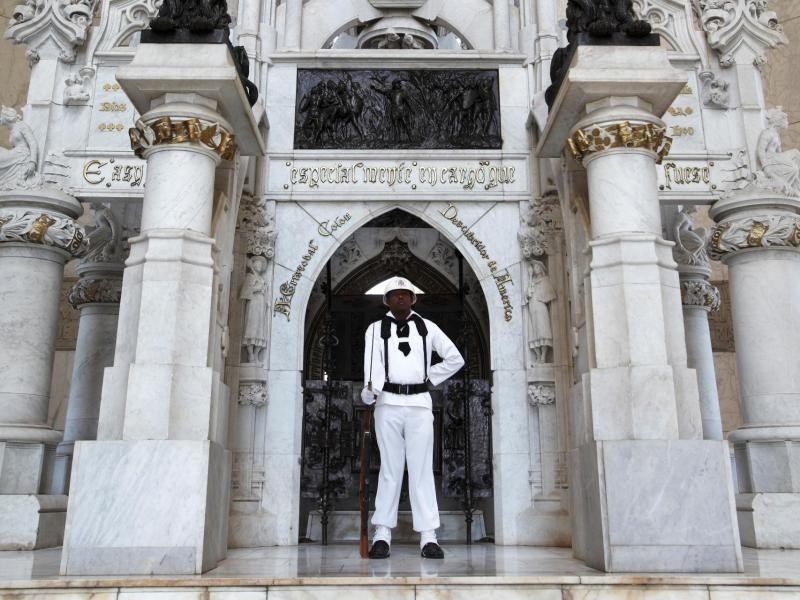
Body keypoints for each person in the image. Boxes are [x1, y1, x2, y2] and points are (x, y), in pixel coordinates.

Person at [361, 277, 464, 559]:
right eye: (395, 295)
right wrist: (370, 391)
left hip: (419, 403)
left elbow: (455, 358)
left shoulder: (426, 327)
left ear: (413, 298)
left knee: (420, 470)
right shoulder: (375, 328)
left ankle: (429, 537)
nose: (401, 299)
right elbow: (373, 365)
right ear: (387, 300)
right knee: (390, 470)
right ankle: (382, 535)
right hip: (388, 404)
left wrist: (430, 379)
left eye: (406, 294)